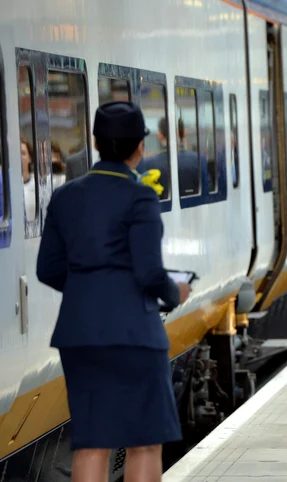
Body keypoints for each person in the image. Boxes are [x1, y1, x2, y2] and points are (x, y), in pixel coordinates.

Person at [36, 101, 191, 482]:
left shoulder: (65, 196)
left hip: (80, 334)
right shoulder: (139, 196)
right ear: (140, 146)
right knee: (145, 440)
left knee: (91, 442)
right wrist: (177, 293)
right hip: (134, 335)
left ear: (95, 142)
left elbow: (48, 269)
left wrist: (89, 290)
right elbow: (150, 272)